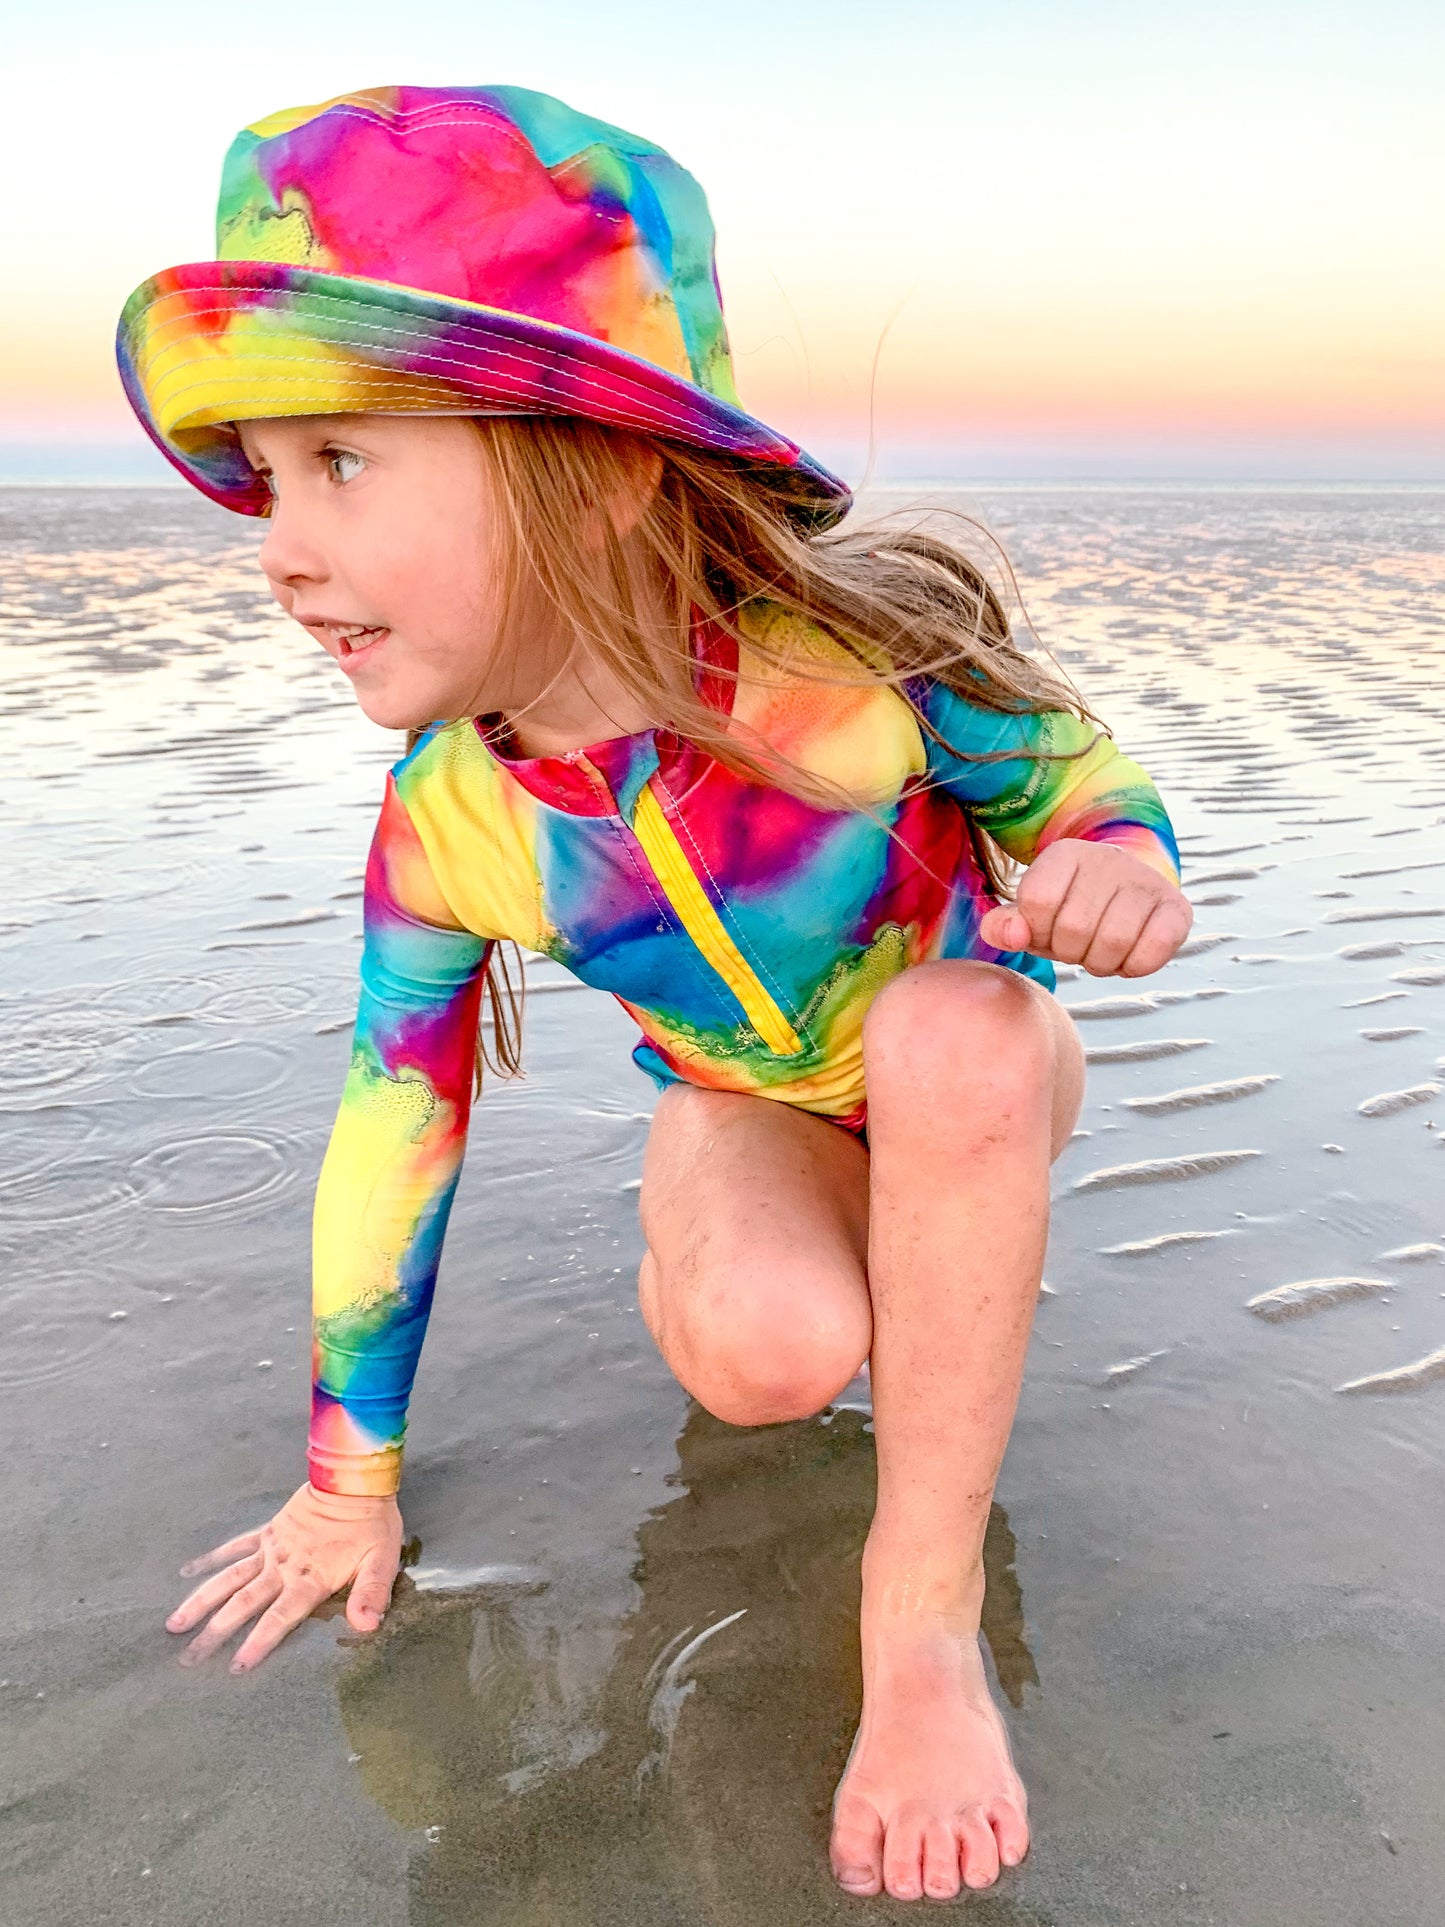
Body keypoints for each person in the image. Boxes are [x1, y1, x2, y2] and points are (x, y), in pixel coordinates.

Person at [119, 86, 1190, 1903]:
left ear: (598, 468)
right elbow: (396, 1126)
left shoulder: (861, 664)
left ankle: (915, 1628)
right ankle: (833, 1255)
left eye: (344, 464)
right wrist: (343, 1478)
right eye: (271, 478)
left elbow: (1079, 783)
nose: (278, 549)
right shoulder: (451, 828)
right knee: (771, 1361)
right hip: (743, 1106)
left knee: (949, 1035)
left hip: (965, 1055)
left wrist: (1119, 862)